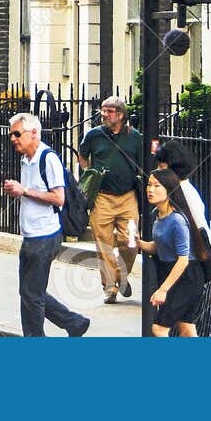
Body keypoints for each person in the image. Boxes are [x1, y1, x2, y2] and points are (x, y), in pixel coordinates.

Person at [2, 111, 90, 338]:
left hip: (46, 235)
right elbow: (32, 193)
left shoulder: (48, 158)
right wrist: (18, 190)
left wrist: (24, 190)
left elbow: (58, 198)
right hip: (30, 235)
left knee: (31, 294)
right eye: (11, 134)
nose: (13, 138)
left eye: (17, 134)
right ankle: (75, 323)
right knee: (29, 292)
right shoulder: (25, 159)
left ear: (33, 133)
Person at [78, 94, 145, 303]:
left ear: (121, 114)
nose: (104, 114)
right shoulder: (93, 135)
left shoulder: (136, 137)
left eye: (109, 111)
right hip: (102, 197)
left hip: (128, 196)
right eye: (103, 110)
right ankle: (110, 287)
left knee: (131, 242)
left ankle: (121, 276)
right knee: (104, 243)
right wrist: (90, 174)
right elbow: (82, 154)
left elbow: (143, 162)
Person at [156, 139, 211, 336]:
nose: (158, 172)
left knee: (196, 322)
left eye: (161, 167)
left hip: (194, 267)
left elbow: (197, 230)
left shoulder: (183, 193)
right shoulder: (178, 190)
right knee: (194, 321)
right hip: (190, 266)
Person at [134, 167, 208, 337]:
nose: (150, 190)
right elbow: (160, 247)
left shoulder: (177, 220)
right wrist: (139, 244)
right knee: (186, 329)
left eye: (157, 186)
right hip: (173, 274)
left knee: (159, 329)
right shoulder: (157, 214)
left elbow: (183, 260)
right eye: (149, 185)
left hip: (186, 278)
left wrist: (163, 289)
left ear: (169, 190)